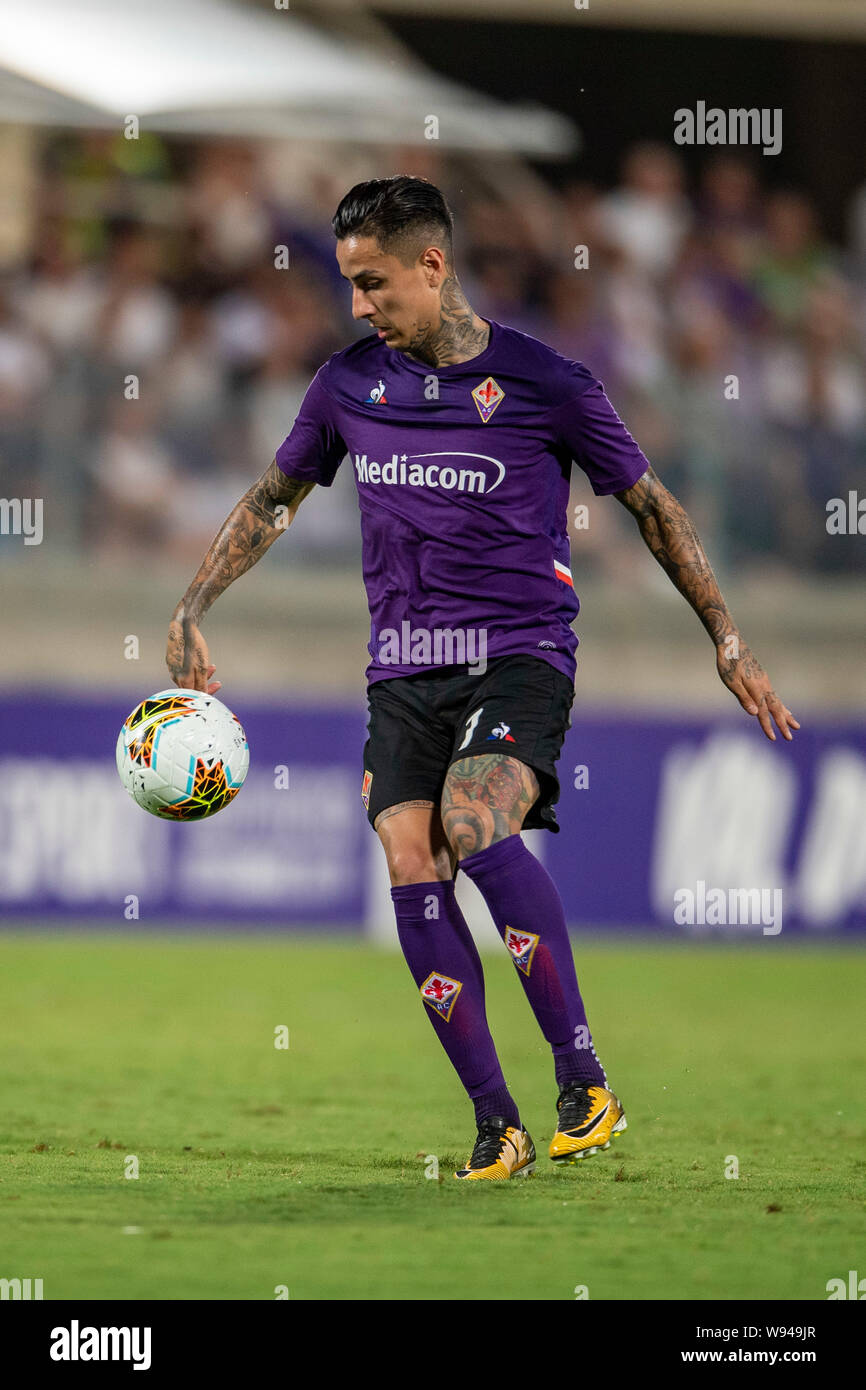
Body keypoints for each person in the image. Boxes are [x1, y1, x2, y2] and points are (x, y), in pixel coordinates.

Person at [166, 176, 799, 1181]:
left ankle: (583, 1078)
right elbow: (269, 497)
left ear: (432, 263)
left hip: (517, 655)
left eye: (374, 284)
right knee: (410, 860)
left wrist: (725, 639)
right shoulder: (343, 387)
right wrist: (195, 602)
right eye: (348, 286)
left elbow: (655, 508)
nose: (360, 306)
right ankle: (495, 1122)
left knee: (471, 820)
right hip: (400, 671)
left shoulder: (549, 383)